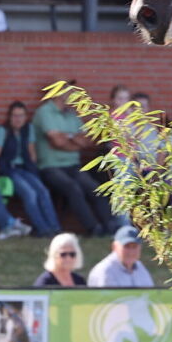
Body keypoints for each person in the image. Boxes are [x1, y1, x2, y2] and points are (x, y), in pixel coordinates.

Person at [33, 91, 117, 235]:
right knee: (73, 188)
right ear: (56, 93)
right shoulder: (44, 112)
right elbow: (57, 141)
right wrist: (72, 140)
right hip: (51, 166)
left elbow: (86, 141)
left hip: (73, 166)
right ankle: (93, 228)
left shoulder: (71, 114)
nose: (70, 95)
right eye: (66, 91)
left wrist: (66, 139)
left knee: (96, 189)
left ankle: (110, 227)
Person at [0, 102, 61, 236]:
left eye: (21, 116)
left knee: (43, 191)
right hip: (9, 169)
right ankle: (43, 229)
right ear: (9, 117)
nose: (18, 119)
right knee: (30, 194)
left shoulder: (28, 129)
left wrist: (33, 170)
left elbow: (31, 152)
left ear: (25, 117)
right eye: (15, 116)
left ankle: (55, 228)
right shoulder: (2, 131)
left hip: (25, 168)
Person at [87, 225, 154, 287]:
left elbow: (151, 294)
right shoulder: (105, 271)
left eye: (134, 246)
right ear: (114, 247)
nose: (131, 252)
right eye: (126, 246)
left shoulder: (139, 267)